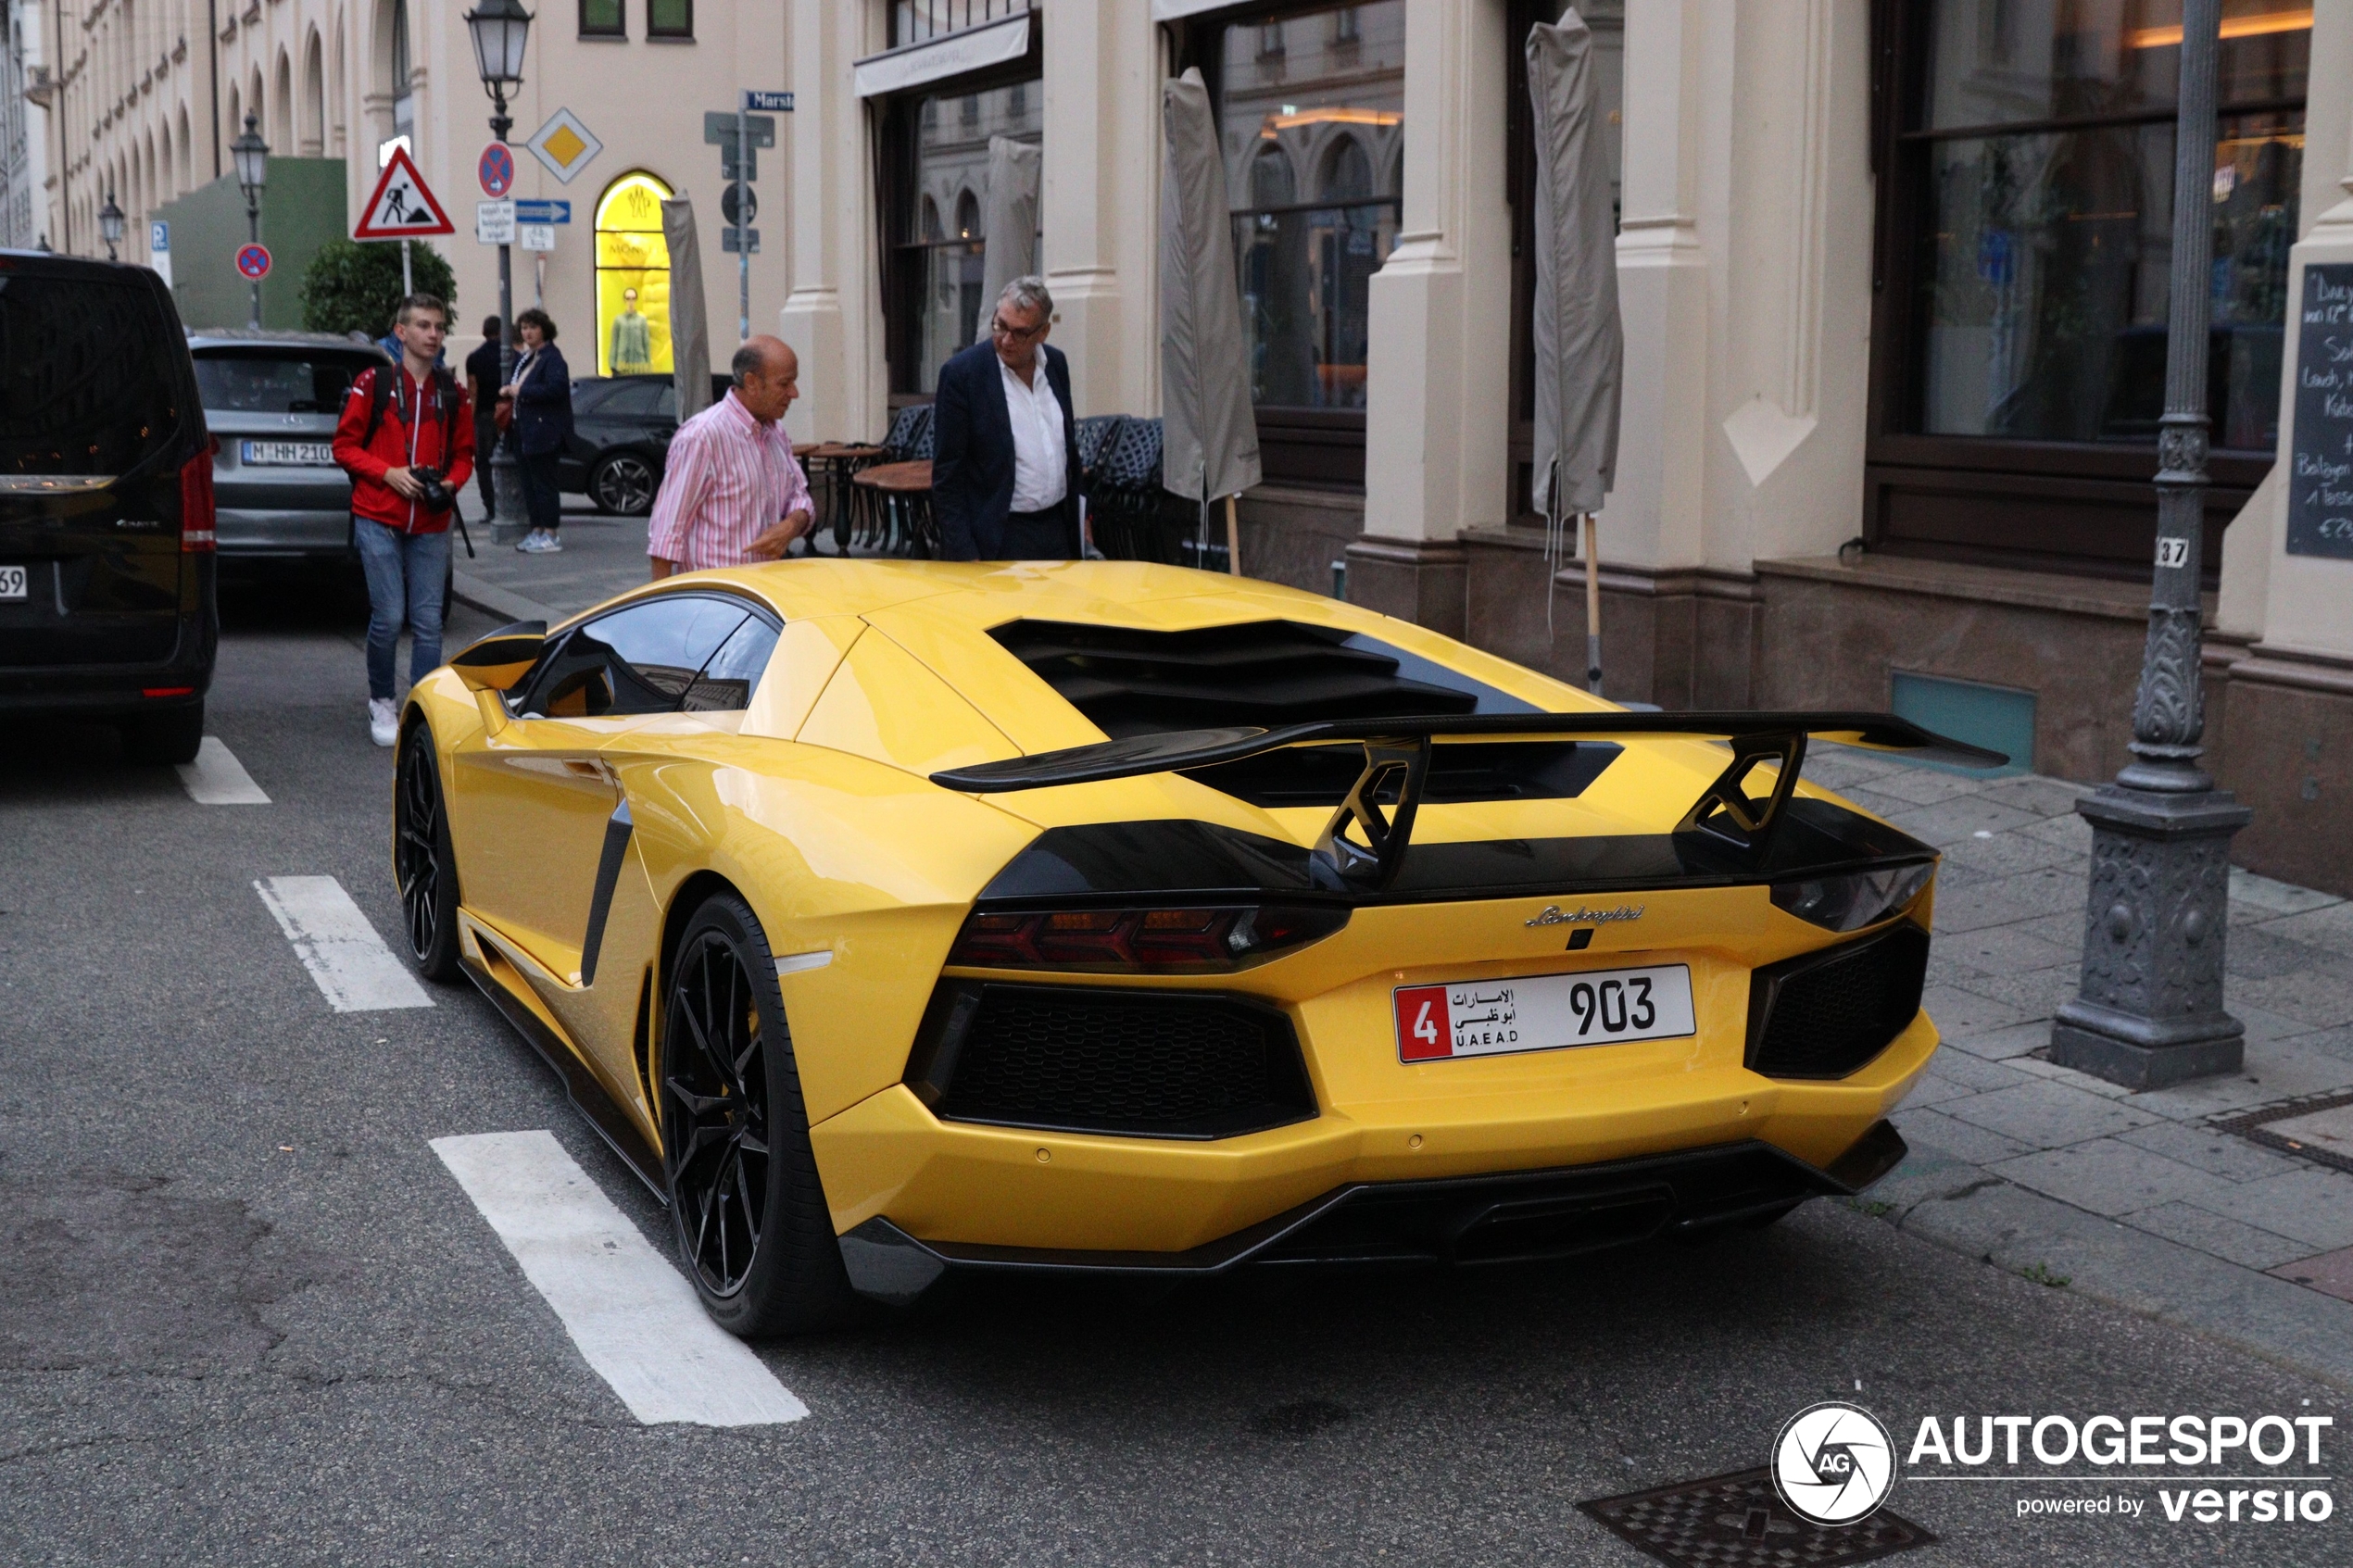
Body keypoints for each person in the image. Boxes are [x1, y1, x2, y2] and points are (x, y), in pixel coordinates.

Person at [332, 293, 475, 748]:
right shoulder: (373, 383)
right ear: (402, 332)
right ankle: (382, 700)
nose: (433, 334)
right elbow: (344, 447)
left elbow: (465, 455)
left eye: (438, 326)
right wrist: (387, 473)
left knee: (429, 621)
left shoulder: (453, 392)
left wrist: (451, 484)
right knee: (390, 616)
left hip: (431, 521)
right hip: (378, 514)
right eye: (424, 326)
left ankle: (422, 709)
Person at [931, 275, 1080, 561]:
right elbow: (947, 476)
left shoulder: (1056, 365)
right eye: (1000, 326)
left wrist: (1082, 517)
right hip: (1001, 534)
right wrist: (965, 554)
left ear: (1043, 332)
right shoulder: (963, 375)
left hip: (1058, 528)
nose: (1006, 340)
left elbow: (1067, 448)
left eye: (1020, 333)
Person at [646, 335, 814, 579]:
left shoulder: (775, 432)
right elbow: (666, 535)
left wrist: (791, 525)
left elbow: (801, 497)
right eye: (785, 383)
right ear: (752, 383)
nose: (794, 393)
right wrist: (660, 611)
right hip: (714, 602)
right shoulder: (702, 437)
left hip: (764, 598)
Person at [503, 307, 573, 554]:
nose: (527, 332)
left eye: (532, 327)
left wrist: (522, 391)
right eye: (524, 328)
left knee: (544, 483)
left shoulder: (552, 358)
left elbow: (557, 388)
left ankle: (550, 532)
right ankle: (537, 530)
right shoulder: (529, 357)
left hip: (544, 431)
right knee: (529, 483)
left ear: (544, 329)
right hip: (525, 429)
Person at [461, 315, 505, 521]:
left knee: (484, 463)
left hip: (485, 415)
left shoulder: (474, 358)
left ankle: (491, 508)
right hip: (507, 414)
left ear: (484, 332)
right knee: (509, 460)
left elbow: (473, 390)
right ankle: (509, 504)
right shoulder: (513, 355)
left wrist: (471, 417)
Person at [610, 287, 654, 376]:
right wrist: (612, 364)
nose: (630, 301)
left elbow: (646, 343)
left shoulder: (642, 320)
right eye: (628, 298)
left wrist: (648, 365)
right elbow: (614, 343)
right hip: (622, 363)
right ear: (624, 300)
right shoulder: (618, 320)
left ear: (636, 300)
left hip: (639, 363)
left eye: (633, 299)